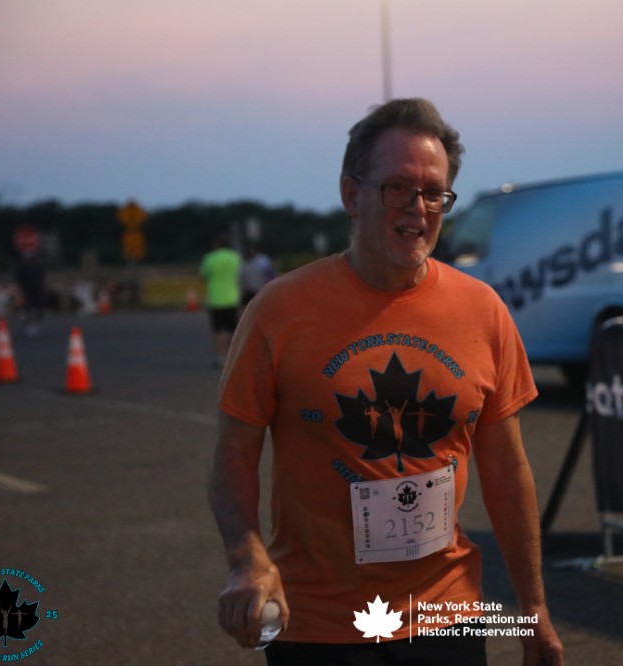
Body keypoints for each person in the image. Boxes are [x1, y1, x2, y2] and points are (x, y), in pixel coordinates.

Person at [209, 98, 564, 666]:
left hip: (445, 616)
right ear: (351, 195)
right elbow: (233, 453)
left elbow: (506, 470)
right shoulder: (279, 311)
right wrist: (245, 556)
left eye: (434, 193)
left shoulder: (483, 311)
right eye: (398, 187)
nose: (418, 208)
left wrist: (533, 608)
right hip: (318, 623)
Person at [199, 233, 242, 366]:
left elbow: (203, 276)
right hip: (232, 298)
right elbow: (241, 275)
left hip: (215, 298)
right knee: (234, 330)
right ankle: (234, 355)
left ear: (216, 245)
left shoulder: (209, 258)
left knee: (218, 330)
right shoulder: (235, 257)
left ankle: (221, 356)